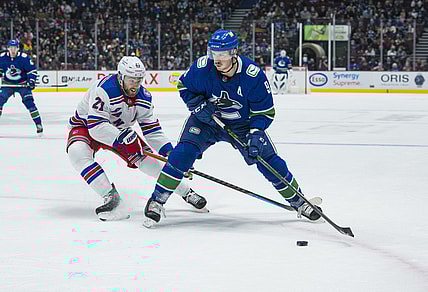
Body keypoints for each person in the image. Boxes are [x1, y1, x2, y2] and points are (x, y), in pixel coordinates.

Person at [144, 29, 322, 227]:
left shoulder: (252, 75)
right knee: (182, 154)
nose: (217, 59)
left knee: (269, 161)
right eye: (213, 53)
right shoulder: (203, 68)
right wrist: (197, 105)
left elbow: (265, 112)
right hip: (206, 121)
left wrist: (255, 133)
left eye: (222, 54)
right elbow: (184, 86)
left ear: (234, 53)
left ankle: (299, 201)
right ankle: (156, 201)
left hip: (243, 126)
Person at [66, 56, 207, 221]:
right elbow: (96, 127)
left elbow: (152, 131)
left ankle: (186, 192)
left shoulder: (144, 97)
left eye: (139, 79)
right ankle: (110, 196)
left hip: (121, 131)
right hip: (87, 127)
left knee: (150, 164)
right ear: (121, 76)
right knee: (77, 152)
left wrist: (172, 155)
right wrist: (121, 137)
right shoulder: (104, 89)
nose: (135, 84)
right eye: (131, 79)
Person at [0, 39, 43, 134]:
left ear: (18, 48)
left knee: (29, 103)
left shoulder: (24, 58)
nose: (13, 50)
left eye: (15, 48)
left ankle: (38, 124)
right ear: (8, 48)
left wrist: (31, 80)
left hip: (22, 84)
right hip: (7, 84)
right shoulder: (2, 57)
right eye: (11, 48)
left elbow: (32, 71)